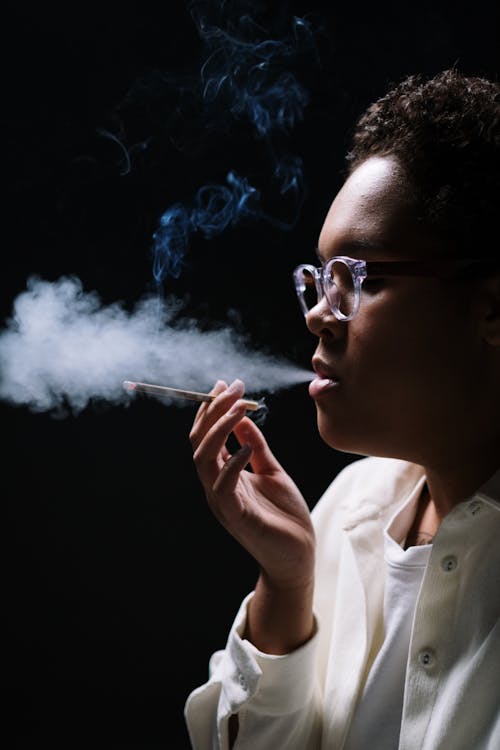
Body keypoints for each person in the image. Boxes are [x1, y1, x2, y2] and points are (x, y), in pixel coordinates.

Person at [184, 69, 500, 750]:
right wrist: (289, 585)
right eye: (319, 282)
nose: (322, 318)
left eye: (363, 278)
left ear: (491, 306)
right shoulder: (351, 506)